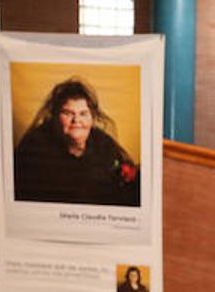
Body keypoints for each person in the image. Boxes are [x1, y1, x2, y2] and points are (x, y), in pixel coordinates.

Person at [13, 78, 140, 206]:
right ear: (55, 116)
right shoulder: (35, 148)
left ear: (93, 118)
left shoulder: (103, 144)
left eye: (83, 114)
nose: (76, 120)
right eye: (68, 113)